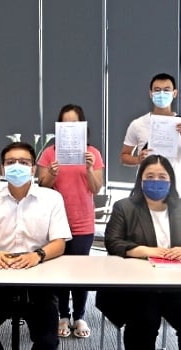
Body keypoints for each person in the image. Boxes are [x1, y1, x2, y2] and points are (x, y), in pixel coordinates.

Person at [96, 155, 181, 350]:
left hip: (178, 287)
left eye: (162, 177)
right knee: (143, 323)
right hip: (139, 288)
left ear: (171, 181)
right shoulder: (124, 207)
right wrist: (146, 251)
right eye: (150, 176)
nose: (156, 181)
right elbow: (113, 242)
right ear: (140, 179)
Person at [0, 141, 72, 350]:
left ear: (33, 168)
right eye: (11, 162)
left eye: (23, 162)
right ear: (3, 168)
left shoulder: (51, 198)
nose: (17, 166)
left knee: (48, 340)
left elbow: (60, 243)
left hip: (39, 278)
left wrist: (38, 255)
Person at [37, 104, 103, 338]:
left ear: (83, 127)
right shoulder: (49, 153)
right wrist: (52, 174)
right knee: (60, 271)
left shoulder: (92, 153)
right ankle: (62, 315)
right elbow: (41, 186)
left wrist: (89, 168)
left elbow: (96, 188)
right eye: (65, 124)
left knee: (80, 271)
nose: (70, 128)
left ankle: (80, 316)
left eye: (74, 123)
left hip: (83, 220)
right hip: (55, 222)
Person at [120, 73, 181, 197]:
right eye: (157, 90)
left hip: (174, 195)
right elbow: (124, 157)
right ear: (150, 93)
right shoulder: (138, 124)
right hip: (144, 194)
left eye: (166, 90)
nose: (162, 94)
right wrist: (137, 160)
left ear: (174, 93)